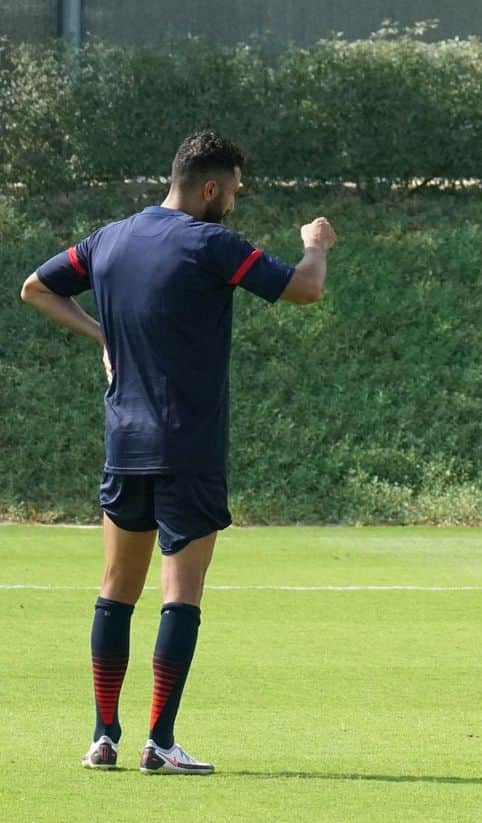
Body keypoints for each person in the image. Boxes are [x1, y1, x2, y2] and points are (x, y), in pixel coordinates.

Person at [20, 131, 337, 774]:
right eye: (235, 192)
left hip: (124, 443)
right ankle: (160, 743)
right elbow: (305, 290)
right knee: (180, 592)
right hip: (187, 445)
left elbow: (35, 287)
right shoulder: (211, 242)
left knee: (115, 591)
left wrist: (101, 332)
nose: (235, 205)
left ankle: (103, 737)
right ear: (211, 188)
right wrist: (316, 244)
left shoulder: (107, 239)